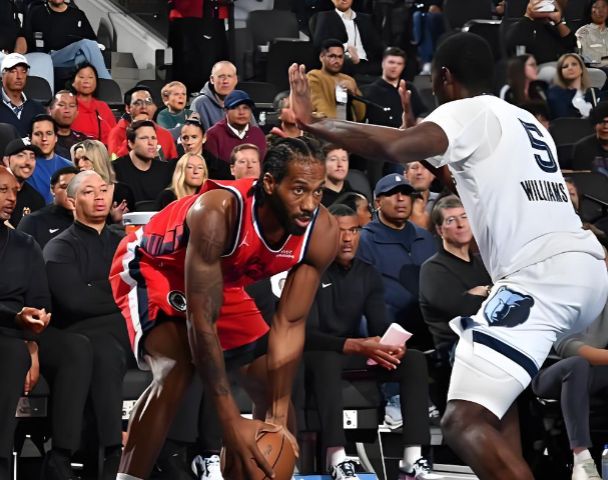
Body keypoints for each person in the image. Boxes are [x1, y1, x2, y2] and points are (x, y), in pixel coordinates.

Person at [288, 31, 608, 479]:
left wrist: (313, 122)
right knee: (494, 405)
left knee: (461, 420)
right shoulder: (524, 120)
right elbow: (465, 181)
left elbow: (394, 148)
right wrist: (414, 131)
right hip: (588, 269)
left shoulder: (465, 110)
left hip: (540, 277)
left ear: (444, 78)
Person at [108, 137, 338, 480]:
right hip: (156, 265)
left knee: (272, 385)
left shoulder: (322, 231)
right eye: (299, 190)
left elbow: (290, 323)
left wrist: (275, 419)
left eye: (317, 192)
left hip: (220, 279)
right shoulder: (218, 211)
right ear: (270, 184)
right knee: (176, 368)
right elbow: (201, 322)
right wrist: (230, 421)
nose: (309, 204)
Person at [304, 203, 440, 480]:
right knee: (327, 359)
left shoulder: (367, 273)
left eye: (354, 231)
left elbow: (379, 324)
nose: (348, 238)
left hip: (353, 352)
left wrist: (393, 344)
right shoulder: (310, 272)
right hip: (318, 352)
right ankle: (336, 458)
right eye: (341, 231)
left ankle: (412, 459)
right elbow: (307, 334)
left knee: (413, 359)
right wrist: (356, 345)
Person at [43, 170, 135, 479]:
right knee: (103, 351)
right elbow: (75, 302)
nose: (99, 197)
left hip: (127, 333)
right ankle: (112, 454)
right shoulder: (59, 247)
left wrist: (97, 289)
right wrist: (118, 293)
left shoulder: (125, 242)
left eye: (104, 189)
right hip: (83, 335)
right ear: (72, 201)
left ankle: (184, 453)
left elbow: (142, 292)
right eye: (88, 191)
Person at [419, 196, 492, 412]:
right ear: (439, 230)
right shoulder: (433, 269)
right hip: (455, 351)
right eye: (451, 220)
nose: (460, 224)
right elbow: (462, 309)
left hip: (492, 341)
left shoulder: (484, 264)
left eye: (464, 217)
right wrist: (491, 292)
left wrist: (482, 292)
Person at [0, 165, 49, 480]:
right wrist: (14, 317)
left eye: (15, 191)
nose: (11, 198)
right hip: (10, 325)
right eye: (3, 190)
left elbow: (40, 300)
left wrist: (33, 342)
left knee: (14, 353)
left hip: (14, 335)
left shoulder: (25, 244)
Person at [357, 174, 437, 349]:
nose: (401, 199)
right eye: (392, 193)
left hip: (430, 329)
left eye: (406, 193)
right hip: (390, 334)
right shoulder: (364, 241)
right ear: (378, 202)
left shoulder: (424, 237)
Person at [531, 306, 608, 480]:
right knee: (577, 364)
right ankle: (582, 460)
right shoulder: (564, 299)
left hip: (591, 370)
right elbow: (567, 347)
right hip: (546, 370)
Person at [22, 0, 111, 79]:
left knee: (82, 57)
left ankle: (84, 87)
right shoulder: (37, 12)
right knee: (87, 45)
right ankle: (107, 83)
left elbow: (92, 39)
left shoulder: (78, 14)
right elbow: (27, 39)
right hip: (50, 56)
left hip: (73, 56)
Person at [203, 90, 267, 180]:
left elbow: (263, 169)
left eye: (245, 108)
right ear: (226, 111)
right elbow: (211, 173)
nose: (241, 112)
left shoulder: (258, 134)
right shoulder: (213, 135)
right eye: (235, 108)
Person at [311, 0, 384, 76]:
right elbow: (320, 44)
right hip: (345, 63)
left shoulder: (366, 18)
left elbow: (378, 44)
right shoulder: (326, 16)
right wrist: (346, 47)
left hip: (369, 64)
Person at [112, 120, 175, 204]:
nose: (151, 143)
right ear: (130, 143)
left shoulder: (166, 170)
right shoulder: (115, 170)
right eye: (144, 138)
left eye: (153, 138)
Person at [108, 86, 178, 160]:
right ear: (128, 108)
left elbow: (174, 164)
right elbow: (115, 163)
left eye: (148, 102)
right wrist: (133, 132)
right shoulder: (116, 133)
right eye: (138, 103)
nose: (144, 107)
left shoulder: (165, 134)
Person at [70, 139, 133, 222]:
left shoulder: (123, 191)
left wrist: (118, 222)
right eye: (77, 160)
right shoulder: (72, 192)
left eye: (85, 159)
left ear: (99, 160)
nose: (80, 164)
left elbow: (133, 225)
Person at [17, 166, 77, 248]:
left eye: (76, 187)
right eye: (64, 187)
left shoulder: (92, 220)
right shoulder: (32, 221)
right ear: (52, 189)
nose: (71, 192)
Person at [307, 39, 366, 122]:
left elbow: (361, 115)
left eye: (340, 57)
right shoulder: (314, 76)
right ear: (321, 57)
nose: (337, 61)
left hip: (349, 126)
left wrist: (354, 92)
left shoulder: (349, 79)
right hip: (326, 126)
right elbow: (319, 105)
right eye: (332, 56)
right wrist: (337, 124)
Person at [505, 0, 577, 64]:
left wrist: (558, 22)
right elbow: (517, 51)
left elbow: (571, 43)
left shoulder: (550, 26)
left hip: (559, 66)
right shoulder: (521, 27)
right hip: (538, 68)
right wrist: (529, 15)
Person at [27, 114, 72, 204]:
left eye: (49, 133)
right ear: (30, 138)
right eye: (38, 134)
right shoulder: (22, 167)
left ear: (56, 137)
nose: (44, 138)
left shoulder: (70, 167)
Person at [69, 63, 117, 145]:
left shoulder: (103, 107)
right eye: (81, 77)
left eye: (90, 77)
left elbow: (114, 136)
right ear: (73, 82)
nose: (86, 81)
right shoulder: (68, 106)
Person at [3, 137, 45, 227]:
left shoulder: (37, 200)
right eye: (21, 156)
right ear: (6, 160)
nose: (28, 162)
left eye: (32, 157)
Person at [0, 53, 45, 136]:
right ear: (2, 75)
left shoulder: (37, 108)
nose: (19, 76)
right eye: (13, 71)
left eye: (23, 71)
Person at [190, 61, 239, 132]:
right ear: (212, 79)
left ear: (236, 80)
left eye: (229, 76)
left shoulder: (241, 103)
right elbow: (191, 135)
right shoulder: (200, 104)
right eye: (221, 76)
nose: (225, 81)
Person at [547, 53, 599, 119]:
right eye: (565, 66)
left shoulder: (593, 92)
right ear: (560, 72)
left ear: (581, 68)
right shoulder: (555, 94)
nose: (570, 68)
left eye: (574, 64)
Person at [49, 89, 90, 159]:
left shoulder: (83, 141)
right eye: (61, 105)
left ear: (77, 113)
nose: (67, 110)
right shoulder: (44, 140)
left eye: (72, 106)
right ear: (50, 111)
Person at [411, 0, 446, 75]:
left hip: (442, 10)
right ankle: (426, 61)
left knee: (430, 18)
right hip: (419, 9)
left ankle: (429, 61)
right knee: (417, 16)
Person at [572, 101, 608, 171]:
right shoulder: (582, 148)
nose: (606, 126)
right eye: (601, 122)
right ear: (594, 124)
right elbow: (582, 175)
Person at [404, 161, 439, 231]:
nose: (419, 172)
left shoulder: (442, 200)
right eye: (414, 167)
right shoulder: (398, 202)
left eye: (425, 167)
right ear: (405, 175)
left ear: (433, 174)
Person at [576, 0, 608, 67]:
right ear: (590, 11)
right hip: (596, 70)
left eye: (603, 7)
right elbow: (588, 59)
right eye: (596, 7)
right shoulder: (583, 32)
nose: (600, 11)